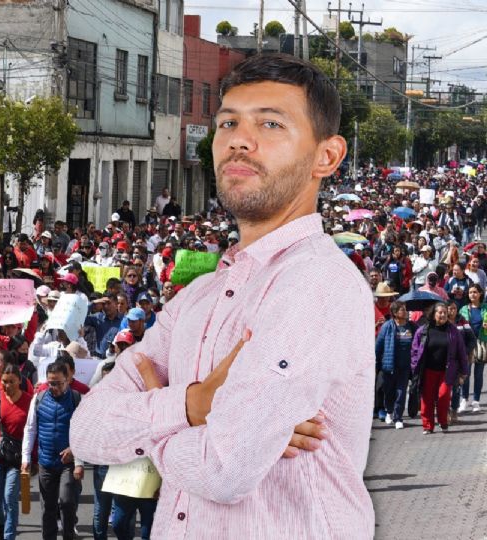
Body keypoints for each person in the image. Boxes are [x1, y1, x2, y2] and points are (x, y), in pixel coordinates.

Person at [70, 54, 375, 536]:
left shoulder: (317, 283)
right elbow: (86, 430)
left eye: (271, 124)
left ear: (327, 156)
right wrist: (192, 407)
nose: (239, 139)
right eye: (228, 122)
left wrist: (162, 427)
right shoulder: (199, 297)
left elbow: (223, 469)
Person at [21, 361, 84, 540]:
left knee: (66, 502)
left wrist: (75, 452)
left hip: (67, 464)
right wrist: (26, 458)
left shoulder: (77, 399)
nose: (53, 387)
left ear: (68, 380)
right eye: (50, 383)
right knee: (47, 509)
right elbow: (30, 429)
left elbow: (84, 431)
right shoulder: (38, 399)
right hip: (46, 463)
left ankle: (68, 535)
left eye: (58, 383)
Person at [0, 364, 31, 540]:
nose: (7, 385)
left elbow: (34, 431)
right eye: (4, 381)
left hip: (17, 459)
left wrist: (32, 458)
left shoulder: (29, 402)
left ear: (19, 380)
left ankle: (8, 536)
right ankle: (3, 523)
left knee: (9, 497)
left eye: (11, 381)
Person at [411, 302, 468, 433]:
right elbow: (414, 351)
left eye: (444, 312)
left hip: (446, 371)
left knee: (443, 397)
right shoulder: (423, 330)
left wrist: (464, 371)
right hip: (428, 371)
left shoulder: (453, 331)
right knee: (427, 399)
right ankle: (428, 426)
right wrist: (415, 368)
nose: (442, 315)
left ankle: (443, 422)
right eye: (440, 312)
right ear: (434, 314)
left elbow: (461, 352)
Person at [375, 301, 417, 429]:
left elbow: (417, 344)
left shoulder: (411, 326)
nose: (405, 312)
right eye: (402, 310)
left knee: (401, 392)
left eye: (405, 309)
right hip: (389, 366)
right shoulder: (387, 326)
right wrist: (376, 363)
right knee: (389, 391)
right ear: (394, 313)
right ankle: (389, 411)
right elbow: (379, 346)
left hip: (405, 367)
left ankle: (398, 417)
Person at [459, 284, 487, 413]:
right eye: (470, 292)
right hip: (467, 345)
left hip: (482, 343)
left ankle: (476, 401)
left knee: (478, 373)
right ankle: (464, 399)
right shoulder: (464, 309)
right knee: (466, 373)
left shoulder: (485, 308)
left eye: (475, 292)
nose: (472, 295)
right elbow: (458, 325)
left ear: (480, 294)